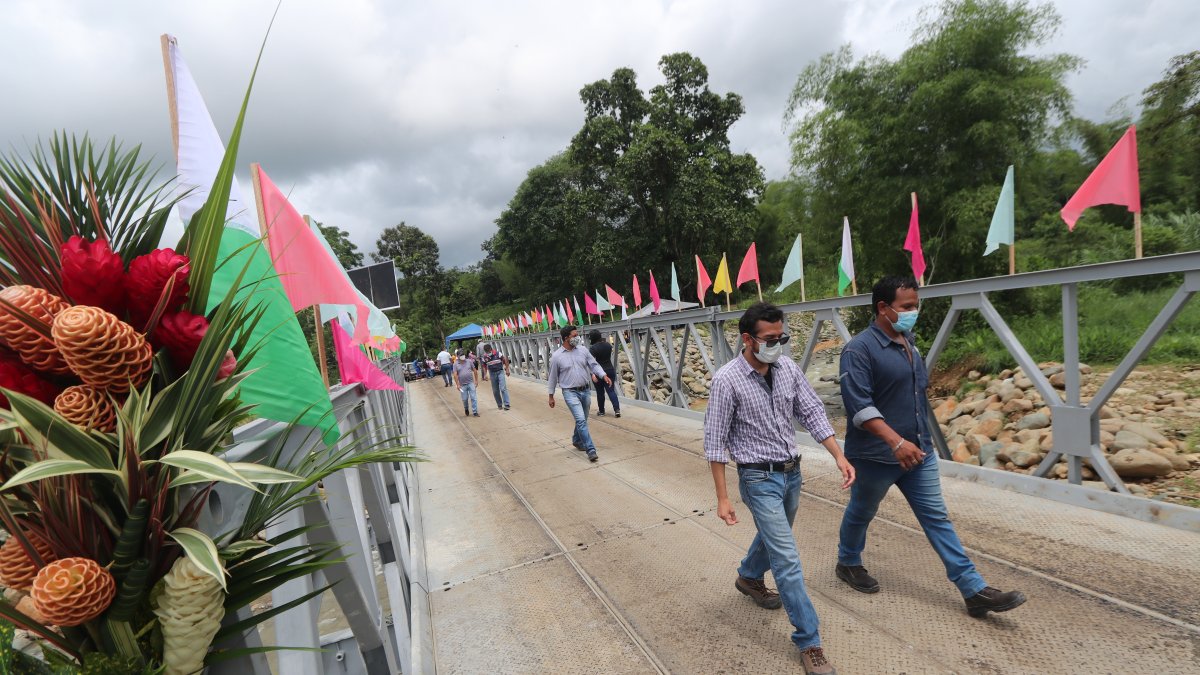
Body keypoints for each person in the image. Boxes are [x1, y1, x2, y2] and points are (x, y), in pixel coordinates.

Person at [837, 276, 1026, 618]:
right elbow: (859, 407)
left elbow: (916, 396)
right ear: (883, 308)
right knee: (862, 511)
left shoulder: (909, 343)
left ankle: (972, 589)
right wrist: (895, 441)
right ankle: (848, 561)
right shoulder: (858, 350)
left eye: (915, 305)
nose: (914, 312)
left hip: (918, 453)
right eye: (907, 307)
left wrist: (918, 441)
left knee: (937, 518)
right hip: (876, 456)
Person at [704, 302, 854, 675]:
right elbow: (714, 441)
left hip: (791, 475)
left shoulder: (786, 368)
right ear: (747, 339)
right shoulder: (727, 379)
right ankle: (810, 642)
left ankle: (749, 576)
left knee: (776, 540)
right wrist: (723, 498)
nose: (778, 345)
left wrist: (838, 454)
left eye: (782, 337)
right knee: (787, 559)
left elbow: (812, 411)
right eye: (770, 339)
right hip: (758, 478)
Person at [547, 325, 610, 462]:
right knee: (581, 420)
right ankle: (590, 450)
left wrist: (603, 375)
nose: (578, 338)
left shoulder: (582, 350)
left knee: (583, 419)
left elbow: (594, 365)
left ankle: (576, 439)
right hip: (570, 392)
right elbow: (552, 377)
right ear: (566, 338)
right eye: (574, 336)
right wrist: (551, 396)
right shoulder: (557, 357)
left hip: (585, 390)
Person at [588, 330, 620, 417]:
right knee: (611, 390)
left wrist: (593, 374)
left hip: (599, 372)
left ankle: (601, 411)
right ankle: (617, 410)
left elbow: (591, 362)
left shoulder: (593, 348)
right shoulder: (608, 345)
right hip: (610, 369)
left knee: (600, 392)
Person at [481, 344, 511, 410]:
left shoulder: (498, 354)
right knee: (495, 391)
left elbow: (505, 360)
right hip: (492, 374)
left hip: (500, 372)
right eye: (486, 352)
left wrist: (507, 369)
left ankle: (507, 404)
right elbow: (484, 366)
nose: (488, 353)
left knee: (503, 388)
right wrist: (485, 374)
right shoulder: (485, 357)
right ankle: (499, 404)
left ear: (491, 349)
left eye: (488, 351)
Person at [454, 349, 479, 417]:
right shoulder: (456, 364)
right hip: (462, 385)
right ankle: (466, 408)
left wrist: (476, 380)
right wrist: (457, 384)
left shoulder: (469, 361)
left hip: (471, 382)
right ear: (458, 356)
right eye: (461, 355)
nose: (462, 356)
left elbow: (474, 370)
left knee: (473, 397)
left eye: (463, 354)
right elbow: (455, 375)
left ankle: (475, 412)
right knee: (464, 399)